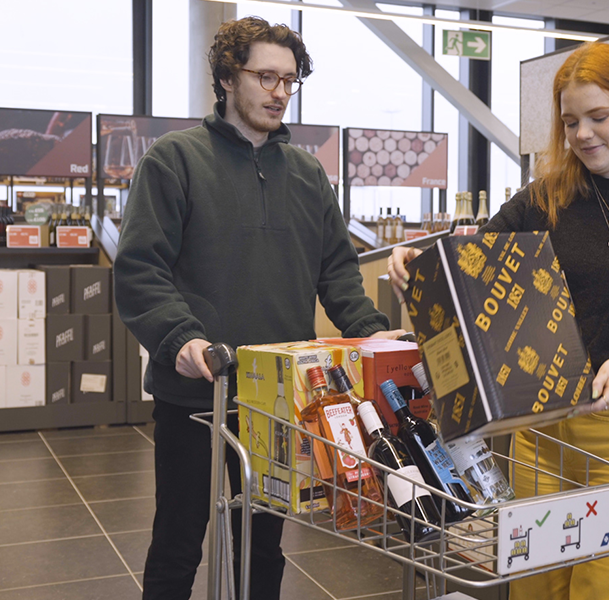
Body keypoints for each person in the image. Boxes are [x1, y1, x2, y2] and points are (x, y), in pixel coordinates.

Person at [388, 42, 609, 599]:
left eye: (598, 117)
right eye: (570, 122)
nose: (583, 134)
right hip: (539, 434)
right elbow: (475, 254)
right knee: (537, 588)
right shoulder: (546, 200)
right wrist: (419, 259)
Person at [115, 17, 404, 600]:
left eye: (289, 81)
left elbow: (338, 274)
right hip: (198, 395)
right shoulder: (175, 160)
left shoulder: (306, 174)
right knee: (178, 540)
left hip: (278, 397)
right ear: (227, 77)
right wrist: (182, 340)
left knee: (263, 546)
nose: (278, 92)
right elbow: (141, 269)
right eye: (265, 76)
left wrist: (376, 339)